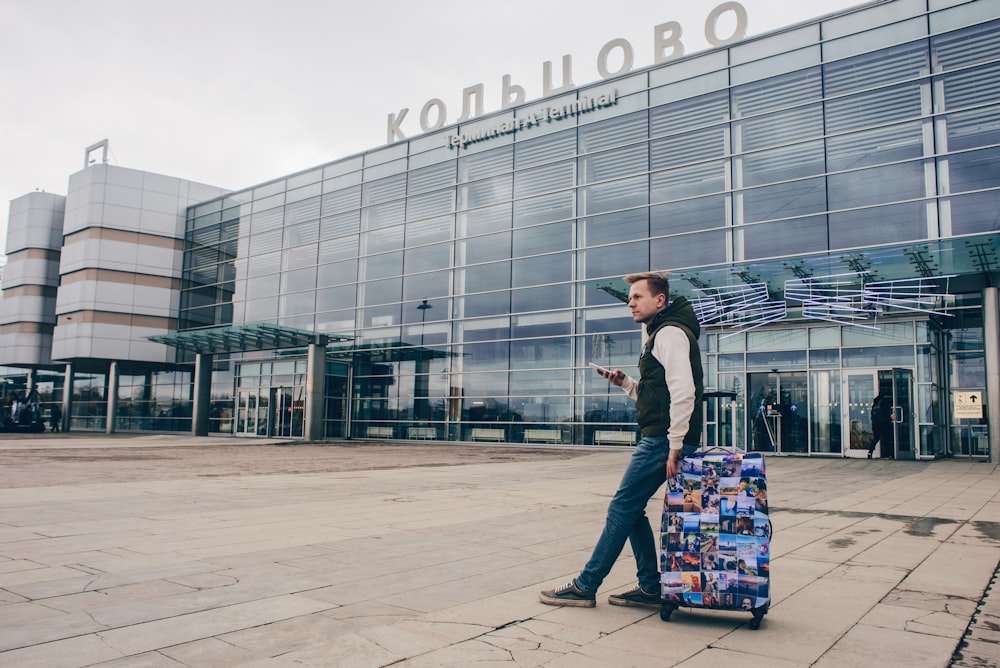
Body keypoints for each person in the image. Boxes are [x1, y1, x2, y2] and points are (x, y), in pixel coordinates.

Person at [539, 271, 703, 608]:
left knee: (621, 507)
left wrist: (675, 445)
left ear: (660, 300)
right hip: (662, 437)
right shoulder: (660, 332)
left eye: (637, 297)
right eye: (629, 298)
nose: (630, 303)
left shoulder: (669, 333)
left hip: (661, 440)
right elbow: (657, 395)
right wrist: (626, 384)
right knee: (631, 509)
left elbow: (684, 391)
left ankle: (586, 585)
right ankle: (650, 588)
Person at [867, 394, 893, 459]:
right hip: (884, 424)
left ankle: (870, 452)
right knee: (886, 439)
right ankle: (887, 454)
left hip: (875, 424)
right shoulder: (885, 401)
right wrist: (890, 416)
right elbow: (885, 412)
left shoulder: (876, 402)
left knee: (876, 438)